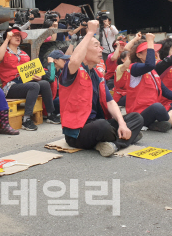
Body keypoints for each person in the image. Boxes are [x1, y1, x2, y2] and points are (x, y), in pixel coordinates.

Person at [59, 20, 144, 157]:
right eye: (97, 46)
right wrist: (91, 32)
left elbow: (110, 102)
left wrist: (122, 124)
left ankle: (113, 144)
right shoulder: (72, 71)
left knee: (136, 118)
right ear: (84, 50)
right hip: (79, 132)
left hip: (100, 123)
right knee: (101, 126)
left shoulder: (98, 75)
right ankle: (125, 138)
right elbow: (74, 60)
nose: (101, 50)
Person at [117, 34, 172, 132]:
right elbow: (149, 64)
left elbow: (166, 92)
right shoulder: (134, 68)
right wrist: (149, 41)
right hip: (139, 115)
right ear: (139, 55)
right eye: (149, 51)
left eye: (153, 50)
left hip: (153, 111)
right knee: (157, 107)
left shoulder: (153, 72)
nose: (152, 53)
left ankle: (156, 124)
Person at [0, 27, 60, 130]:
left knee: (44, 83)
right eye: (14, 35)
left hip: (24, 82)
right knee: (34, 86)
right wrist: (6, 40)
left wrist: (38, 76)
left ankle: (50, 114)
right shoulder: (4, 51)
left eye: (19, 36)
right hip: (10, 86)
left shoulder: (24, 54)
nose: (18, 38)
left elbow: (30, 71)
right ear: (8, 37)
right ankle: (26, 119)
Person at [43, 50, 70, 116]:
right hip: (49, 105)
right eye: (63, 59)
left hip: (57, 101)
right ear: (55, 61)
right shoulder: (44, 72)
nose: (65, 61)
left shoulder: (60, 72)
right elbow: (51, 78)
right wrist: (51, 63)